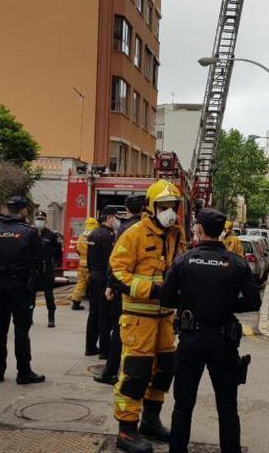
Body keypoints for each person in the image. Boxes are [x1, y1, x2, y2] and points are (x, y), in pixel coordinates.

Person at [161, 208, 261, 453]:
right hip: (223, 341)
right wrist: (227, 304)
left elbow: (166, 297)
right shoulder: (236, 263)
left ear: (200, 230)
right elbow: (253, 302)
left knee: (183, 406)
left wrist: (189, 301)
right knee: (227, 408)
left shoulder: (184, 260)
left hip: (191, 339)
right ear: (222, 232)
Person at [110, 179, 186, 453]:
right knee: (136, 374)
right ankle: (127, 430)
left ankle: (151, 421)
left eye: (172, 206)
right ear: (151, 207)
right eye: (163, 206)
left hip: (165, 319)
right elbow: (116, 275)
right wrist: (153, 290)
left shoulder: (177, 234)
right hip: (138, 319)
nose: (169, 211)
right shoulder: (133, 234)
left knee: (165, 370)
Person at [0, 195, 46, 384]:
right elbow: (39, 258)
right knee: (21, 330)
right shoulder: (30, 232)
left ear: (8, 209)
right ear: (24, 211)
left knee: (0, 330)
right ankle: (23, 372)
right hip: (21, 286)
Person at [96, 195, 146, 385]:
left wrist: (110, 284)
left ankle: (111, 371)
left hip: (125, 288)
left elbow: (115, 261)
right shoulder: (153, 227)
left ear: (127, 209)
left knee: (119, 330)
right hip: (149, 292)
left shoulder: (125, 228)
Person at [86, 206, 120, 358]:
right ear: (109, 218)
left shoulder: (93, 234)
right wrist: (110, 283)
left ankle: (90, 346)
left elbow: (88, 259)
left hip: (93, 274)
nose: (116, 220)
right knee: (104, 314)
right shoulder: (108, 236)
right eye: (115, 217)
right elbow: (110, 261)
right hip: (102, 277)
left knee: (93, 313)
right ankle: (105, 350)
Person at [35, 210, 62, 327]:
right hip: (34, 268)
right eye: (38, 219)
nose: (40, 221)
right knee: (30, 293)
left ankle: (51, 318)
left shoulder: (51, 235)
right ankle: (28, 317)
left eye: (42, 219)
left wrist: (53, 263)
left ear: (46, 221)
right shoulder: (30, 233)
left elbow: (58, 253)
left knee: (48, 294)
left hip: (46, 268)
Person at [70, 217, 99, 310]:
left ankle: (75, 302)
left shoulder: (82, 236)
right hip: (91, 265)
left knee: (81, 284)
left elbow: (78, 249)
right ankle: (93, 305)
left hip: (82, 265)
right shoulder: (95, 235)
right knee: (93, 286)